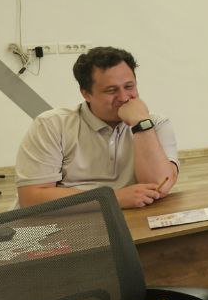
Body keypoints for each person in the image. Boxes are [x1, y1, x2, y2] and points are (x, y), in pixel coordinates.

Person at [15, 46, 179, 209]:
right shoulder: (51, 124)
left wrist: (141, 125)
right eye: (111, 90)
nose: (124, 97)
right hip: (65, 219)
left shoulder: (154, 124)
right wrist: (112, 199)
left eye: (129, 87)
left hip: (127, 217)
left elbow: (159, 186)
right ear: (86, 93)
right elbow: (31, 198)